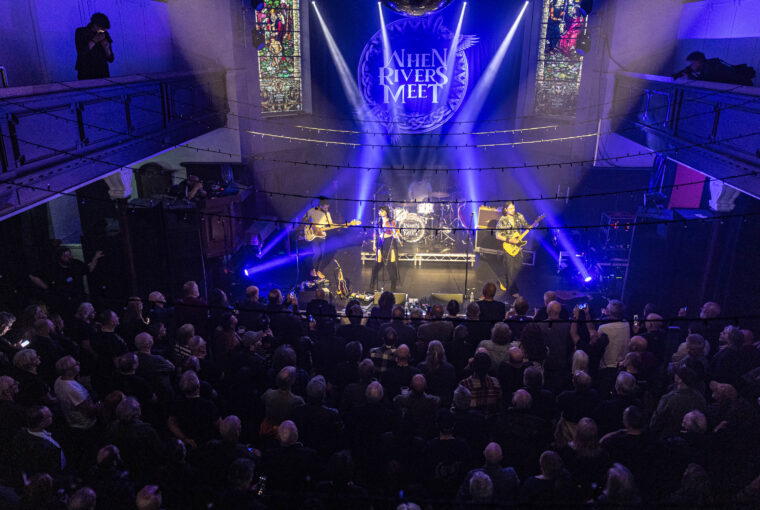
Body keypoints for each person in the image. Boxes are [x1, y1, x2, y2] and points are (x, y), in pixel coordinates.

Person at [28, 246, 104, 317]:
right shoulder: (53, 269)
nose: (69, 257)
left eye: (69, 255)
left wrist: (95, 258)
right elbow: (32, 276)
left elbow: (88, 269)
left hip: (79, 300)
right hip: (63, 304)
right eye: (65, 256)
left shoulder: (76, 264)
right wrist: (46, 287)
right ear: (59, 257)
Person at [494, 202, 530, 297]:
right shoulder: (503, 220)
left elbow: (526, 226)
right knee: (510, 269)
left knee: (517, 268)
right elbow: (497, 235)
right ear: (505, 209)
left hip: (518, 247)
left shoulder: (519, 216)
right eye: (510, 208)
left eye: (513, 208)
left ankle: (503, 280)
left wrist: (535, 224)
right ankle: (513, 291)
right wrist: (509, 240)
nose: (513, 210)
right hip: (508, 246)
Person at [674, 51, 755, 85]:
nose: (691, 67)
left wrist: (690, 78)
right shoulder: (710, 65)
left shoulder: (710, 68)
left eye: (692, 64)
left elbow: (704, 84)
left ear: (699, 61)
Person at [75, 12, 114, 80]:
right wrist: (94, 40)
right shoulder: (81, 32)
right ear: (95, 25)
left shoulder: (105, 34)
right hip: (86, 71)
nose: (103, 31)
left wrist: (106, 48)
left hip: (102, 71)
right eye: (102, 29)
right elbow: (82, 52)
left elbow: (111, 59)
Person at [370, 205, 401, 292]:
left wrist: (397, 235)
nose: (380, 212)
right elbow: (375, 233)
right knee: (376, 264)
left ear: (386, 212)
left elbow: (396, 232)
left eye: (382, 211)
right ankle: (372, 282)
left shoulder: (391, 221)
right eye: (379, 211)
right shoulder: (378, 221)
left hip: (389, 242)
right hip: (380, 242)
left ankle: (393, 285)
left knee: (390, 265)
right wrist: (374, 244)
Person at [305, 197, 334, 279]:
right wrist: (313, 226)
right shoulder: (312, 211)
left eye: (327, 208)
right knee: (317, 253)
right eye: (325, 207)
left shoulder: (327, 214)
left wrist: (342, 225)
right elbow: (304, 219)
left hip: (322, 235)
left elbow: (331, 224)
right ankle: (313, 269)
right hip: (313, 236)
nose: (326, 209)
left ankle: (319, 271)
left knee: (322, 254)